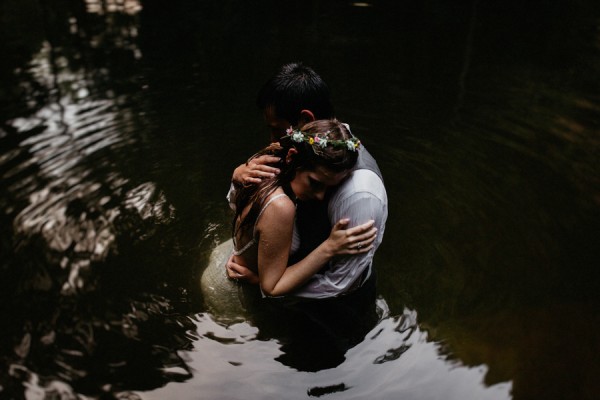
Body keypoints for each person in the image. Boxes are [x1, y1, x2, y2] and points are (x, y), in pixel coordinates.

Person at [226, 62, 387, 300]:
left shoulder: (359, 193)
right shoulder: (293, 148)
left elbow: (340, 283)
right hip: (267, 288)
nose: (273, 140)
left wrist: (268, 283)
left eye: (277, 129)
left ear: (304, 119)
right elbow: (235, 204)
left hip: (330, 308)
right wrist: (238, 176)